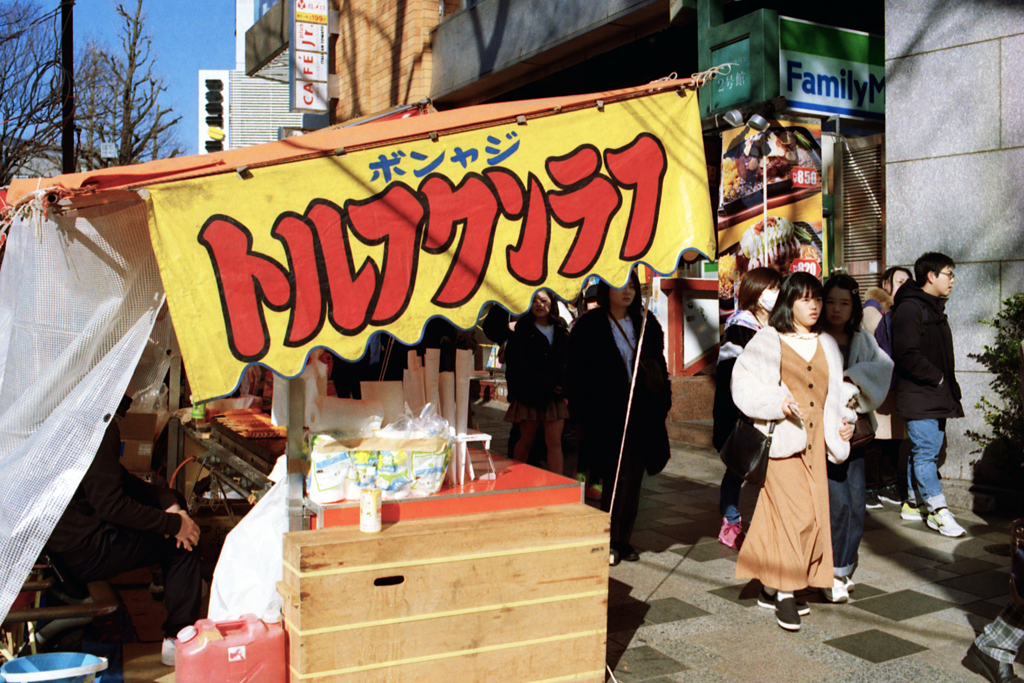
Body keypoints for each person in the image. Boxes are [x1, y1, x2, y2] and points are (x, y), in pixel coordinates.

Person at [730, 272, 854, 631]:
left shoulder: (827, 343)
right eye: (804, 298)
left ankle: (769, 587)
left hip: (818, 442)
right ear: (789, 302)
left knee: (809, 517)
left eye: (817, 298)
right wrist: (776, 402)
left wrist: (844, 423)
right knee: (797, 515)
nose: (814, 305)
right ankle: (785, 592)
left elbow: (835, 396)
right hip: (783, 440)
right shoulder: (768, 340)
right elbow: (742, 385)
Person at [45, 398, 202, 667]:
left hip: (66, 546)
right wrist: (175, 525)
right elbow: (111, 505)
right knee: (184, 543)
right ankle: (178, 639)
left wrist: (172, 504)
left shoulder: (71, 418)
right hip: (83, 553)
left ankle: (167, 584)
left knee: (176, 509)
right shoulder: (99, 424)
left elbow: (122, 481)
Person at [566, 269, 671, 566]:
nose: (628, 291)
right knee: (611, 478)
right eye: (620, 285)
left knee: (634, 478)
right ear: (606, 289)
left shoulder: (647, 323)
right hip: (604, 415)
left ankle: (624, 538)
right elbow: (576, 375)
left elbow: (660, 368)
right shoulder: (589, 326)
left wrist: (662, 402)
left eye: (633, 286)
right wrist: (583, 415)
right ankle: (605, 538)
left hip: (641, 413)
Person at [820, 274, 893, 603]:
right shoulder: (814, 337)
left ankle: (843, 567)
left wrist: (853, 389)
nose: (836, 309)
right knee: (835, 504)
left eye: (844, 303)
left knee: (855, 503)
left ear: (854, 307)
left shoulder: (862, 339)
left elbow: (882, 370)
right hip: (822, 434)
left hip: (856, 434)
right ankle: (831, 570)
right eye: (831, 301)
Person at [891, 252, 965, 537]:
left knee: (923, 450)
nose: (953, 280)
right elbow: (907, 354)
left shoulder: (933, 308)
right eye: (948, 273)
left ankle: (913, 503)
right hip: (921, 394)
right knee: (925, 454)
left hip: (935, 394)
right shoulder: (911, 308)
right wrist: (938, 377)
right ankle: (938, 510)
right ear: (931, 276)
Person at [712, 267, 782, 549]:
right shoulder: (739, 327)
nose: (776, 294)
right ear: (755, 293)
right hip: (741, 412)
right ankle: (730, 522)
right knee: (737, 468)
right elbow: (730, 374)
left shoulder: (779, 325)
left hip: (773, 409)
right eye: (770, 289)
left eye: (778, 288)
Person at [861, 266, 913, 508]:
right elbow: (878, 338)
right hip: (879, 382)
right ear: (886, 283)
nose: (903, 285)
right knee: (876, 438)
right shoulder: (873, 307)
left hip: (897, 384)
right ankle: (870, 486)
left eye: (907, 282)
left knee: (894, 438)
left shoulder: (901, 309)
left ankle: (888, 483)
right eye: (899, 281)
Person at [503, 289, 570, 476]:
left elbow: (568, 362)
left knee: (555, 442)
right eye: (534, 301)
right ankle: (515, 478)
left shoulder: (561, 331)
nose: (539, 304)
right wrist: (546, 383)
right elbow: (519, 365)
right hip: (529, 394)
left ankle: (558, 483)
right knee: (526, 439)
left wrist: (562, 385)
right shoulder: (522, 330)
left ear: (552, 303)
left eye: (544, 300)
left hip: (554, 396)